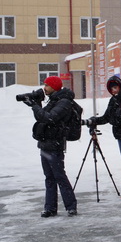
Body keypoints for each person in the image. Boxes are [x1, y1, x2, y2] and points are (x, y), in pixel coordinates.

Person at [27, 76, 79, 218]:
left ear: (55, 87)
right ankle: (50, 208)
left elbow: (49, 118)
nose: (45, 88)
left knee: (59, 176)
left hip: (55, 144)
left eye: (47, 85)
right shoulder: (54, 100)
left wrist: (34, 105)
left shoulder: (64, 102)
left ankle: (71, 206)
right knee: (49, 177)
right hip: (45, 143)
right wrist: (36, 103)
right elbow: (42, 117)